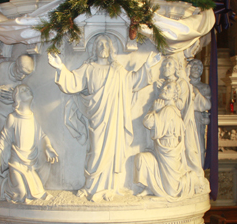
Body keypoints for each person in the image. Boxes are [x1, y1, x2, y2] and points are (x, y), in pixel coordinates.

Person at [48, 33, 161, 202]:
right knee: (96, 151)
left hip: (114, 119)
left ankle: (110, 188)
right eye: (99, 45)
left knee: (112, 152)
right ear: (94, 49)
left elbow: (133, 81)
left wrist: (147, 66)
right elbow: (73, 81)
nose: (103, 48)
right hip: (97, 118)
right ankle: (90, 187)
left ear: (110, 49)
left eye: (106, 45)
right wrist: (60, 68)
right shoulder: (89, 68)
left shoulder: (117, 70)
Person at [0, 84, 58, 203]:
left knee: (38, 192)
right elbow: (5, 138)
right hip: (16, 162)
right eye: (23, 90)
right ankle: (2, 183)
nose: (28, 90)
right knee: (21, 194)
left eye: (28, 88)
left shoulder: (32, 117)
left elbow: (41, 136)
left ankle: (6, 180)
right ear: (17, 98)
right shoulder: (13, 117)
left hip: (30, 164)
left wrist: (48, 147)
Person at [134, 82, 196, 199]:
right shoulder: (167, 109)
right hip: (160, 151)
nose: (164, 89)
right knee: (142, 158)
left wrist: (154, 110)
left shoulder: (168, 110)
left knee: (172, 191)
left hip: (169, 151)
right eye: (164, 86)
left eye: (169, 88)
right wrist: (155, 110)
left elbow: (148, 122)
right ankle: (150, 187)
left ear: (175, 95)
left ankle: (191, 178)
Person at [0, 54, 35, 195]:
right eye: (20, 72)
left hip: (12, 116)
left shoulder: (22, 82)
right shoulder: (3, 68)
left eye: (25, 74)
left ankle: (7, 181)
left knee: (11, 146)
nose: (22, 77)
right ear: (15, 65)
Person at [189, 59, 211, 167]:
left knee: (200, 148)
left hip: (197, 119)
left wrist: (196, 93)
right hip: (186, 118)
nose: (196, 70)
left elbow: (207, 105)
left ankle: (198, 174)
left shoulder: (204, 87)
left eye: (198, 68)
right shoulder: (184, 85)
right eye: (194, 67)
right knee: (187, 147)